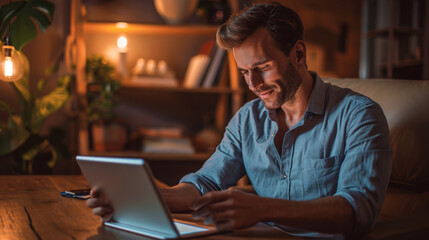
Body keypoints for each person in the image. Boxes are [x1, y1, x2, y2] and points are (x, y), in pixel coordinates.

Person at [86, 2, 392, 238]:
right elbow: (206, 182)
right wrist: (140, 199)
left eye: (263, 66)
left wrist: (264, 208)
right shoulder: (248, 119)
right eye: (245, 72)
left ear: (298, 54)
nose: (253, 83)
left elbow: (359, 210)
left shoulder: (359, 116)